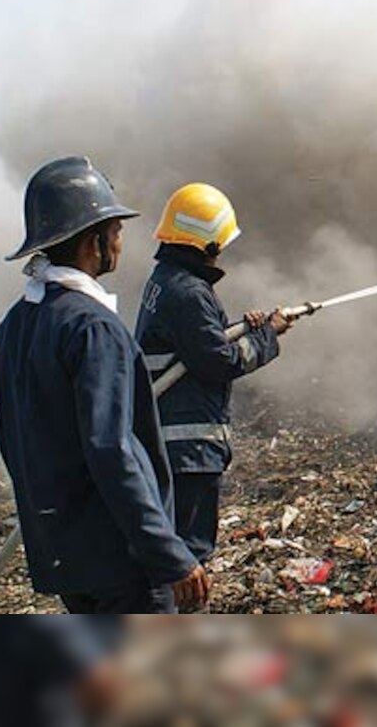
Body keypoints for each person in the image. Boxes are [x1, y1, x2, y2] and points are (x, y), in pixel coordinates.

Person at [0, 156, 208, 614]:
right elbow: (111, 450)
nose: (121, 240)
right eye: (116, 230)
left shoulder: (17, 323)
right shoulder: (93, 327)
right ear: (94, 242)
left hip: (67, 558)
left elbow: (12, 439)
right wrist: (169, 554)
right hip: (122, 561)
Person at [135, 183, 289, 564]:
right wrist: (268, 337)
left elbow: (192, 346)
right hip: (188, 450)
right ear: (209, 246)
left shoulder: (165, 281)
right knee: (188, 557)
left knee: (171, 553)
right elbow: (218, 362)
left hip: (171, 443)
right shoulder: (188, 292)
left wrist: (249, 328)